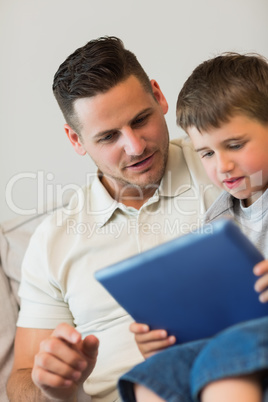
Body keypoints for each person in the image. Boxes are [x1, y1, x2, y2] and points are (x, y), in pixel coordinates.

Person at [6, 36, 220, 402]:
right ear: (76, 140)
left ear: (158, 95)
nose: (135, 146)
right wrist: (55, 384)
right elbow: (21, 380)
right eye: (108, 137)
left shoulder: (225, 165)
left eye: (141, 119)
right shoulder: (53, 240)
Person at [118, 52, 268, 402]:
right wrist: (163, 339)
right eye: (206, 153)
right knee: (154, 374)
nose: (223, 165)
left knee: (226, 356)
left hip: (245, 347)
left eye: (234, 145)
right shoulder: (217, 220)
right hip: (230, 341)